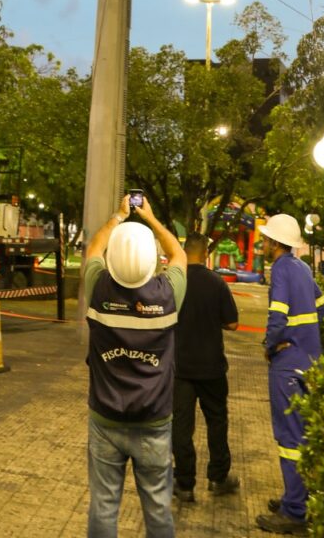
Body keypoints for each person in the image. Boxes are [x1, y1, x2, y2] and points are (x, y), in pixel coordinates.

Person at [84, 193, 187, 538]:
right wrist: (151, 219)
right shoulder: (167, 294)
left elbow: (93, 250)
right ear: (150, 260)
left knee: (103, 506)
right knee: (158, 510)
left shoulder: (98, 288)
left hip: (105, 419)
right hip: (154, 421)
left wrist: (118, 216)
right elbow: (179, 254)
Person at [256, 214, 324, 535]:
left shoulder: (282, 269)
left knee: (289, 438)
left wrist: (271, 345)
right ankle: (299, 497)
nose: (263, 243)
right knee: (305, 433)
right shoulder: (303, 268)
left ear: (274, 243)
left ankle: (293, 512)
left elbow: (278, 315)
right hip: (310, 359)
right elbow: (321, 306)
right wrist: (308, 335)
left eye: (266, 239)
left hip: (286, 363)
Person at [171, 233, 239, 502]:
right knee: (217, 422)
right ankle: (218, 478)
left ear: (185, 252)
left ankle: (185, 484)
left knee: (181, 427)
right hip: (212, 368)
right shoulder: (217, 282)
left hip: (181, 369)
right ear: (205, 253)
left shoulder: (174, 282)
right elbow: (232, 323)